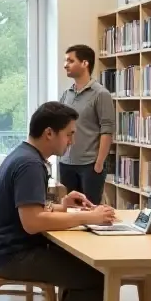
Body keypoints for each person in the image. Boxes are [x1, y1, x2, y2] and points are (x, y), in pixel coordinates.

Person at [0, 101, 116, 301]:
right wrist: (87, 218)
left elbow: (32, 208)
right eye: (68, 134)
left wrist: (64, 206)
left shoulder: (24, 156)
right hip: (13, 254)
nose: (72, 141)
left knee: (80, 269)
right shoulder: (30, 164)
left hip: (6, 247)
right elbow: (32, 223)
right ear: (49, 133)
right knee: (97, 276)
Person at [58, 44, 115, 205]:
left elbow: (107, 130)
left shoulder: (101, 94)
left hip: (89, 166)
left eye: (70, 60)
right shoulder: (66, 94)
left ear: (85, 63)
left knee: (90, 212)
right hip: (66, 163)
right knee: (70, 211)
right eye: (65, 61)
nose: (65, 65)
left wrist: (99, 163)